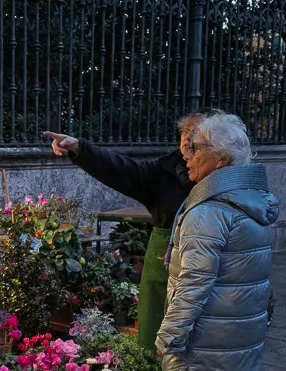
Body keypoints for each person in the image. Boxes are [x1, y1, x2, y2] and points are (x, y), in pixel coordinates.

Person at [141, 113, 278, 371]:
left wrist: (171, 334)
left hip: (207, 330)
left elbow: (193, 284)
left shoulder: (209, 210)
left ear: (220, 159)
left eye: (196, 147)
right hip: (236, 328)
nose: (187, 156)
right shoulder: (255, 203)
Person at [43, 108, 222, 352]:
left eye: (195, 137)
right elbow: (120, 168)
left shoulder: (224, 178)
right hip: (163, 269)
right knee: (155, 342)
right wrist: (79, 148)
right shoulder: (161, 172)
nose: (187, 141)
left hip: (208, 274)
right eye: (184, 134)